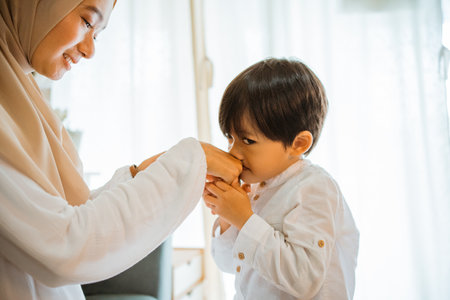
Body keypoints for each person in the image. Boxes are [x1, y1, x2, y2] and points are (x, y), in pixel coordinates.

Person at [0, 0, 242, 299]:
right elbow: (64, 245)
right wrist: (191, 160)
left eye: (97, 34)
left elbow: (52, 214)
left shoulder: (18, 95)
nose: (89, 50)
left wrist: (140, 173)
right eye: (87, 22)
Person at [203, 58, 360, 299]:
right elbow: (228, 265)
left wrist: (244, 219)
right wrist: (227, 220)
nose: (233, 151)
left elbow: (305, 280)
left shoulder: (314, 188)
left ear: (298, 144)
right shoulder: (254, 187)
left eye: (247, 140)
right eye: (229, 138)